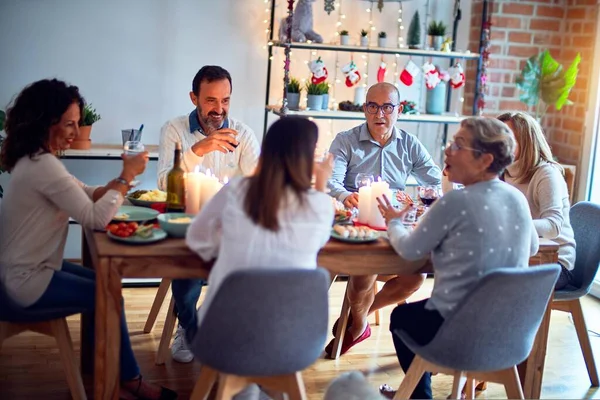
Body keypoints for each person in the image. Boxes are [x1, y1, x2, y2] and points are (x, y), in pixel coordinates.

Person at [0, 79, 177, 400]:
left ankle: (109, 373)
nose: (75, 130)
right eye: (69, 123)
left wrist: (117, 185)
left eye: (77, 122)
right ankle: (129, 382)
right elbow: (95, 218)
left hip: (23, 272)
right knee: (107, 294)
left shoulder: (37, 160)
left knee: (105, 285)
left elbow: (84, 192)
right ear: (45, 122)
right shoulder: (43, 166)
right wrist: (125, 178)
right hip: (26, 283)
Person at [376, 117, 539, 399]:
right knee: (417, 313)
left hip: (458, 331)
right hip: (509, 331)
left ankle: (418, 395)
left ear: (484, 160)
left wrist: (393, 222)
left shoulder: (455, 202)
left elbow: (409, 251)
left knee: (401, 317)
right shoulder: (516, 198)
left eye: (458, 145)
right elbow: (533, 248)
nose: (448, 150)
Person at [324, 82, 443, 357]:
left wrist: (409, 197)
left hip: (395, 231)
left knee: (416, 276)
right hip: (359, 231)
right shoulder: (346, 140)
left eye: (387, 107)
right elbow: (331, 180)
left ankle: (355, 321)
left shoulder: (409, 144)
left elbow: (435, 180)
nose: (380, 114)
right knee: (365, 269)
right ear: (365, 109)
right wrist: (345, 196)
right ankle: (359, 324)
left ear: (399, 110)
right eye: (373, 106)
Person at [185, 116, 334, 328]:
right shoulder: (320, 204)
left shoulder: (236, 190)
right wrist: (322, 182)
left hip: (222, 335)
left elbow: (196, 238)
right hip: (295, 341)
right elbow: (318, 240)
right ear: (308, 157)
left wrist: (230, 244)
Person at [157, 65, 261, 363]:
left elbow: (261, 184)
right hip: (188, 223)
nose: (219, 109)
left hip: (231, 227)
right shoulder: (174, 129)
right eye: (211, 100)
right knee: (189, 265)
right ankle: (188, 330)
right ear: (194, 98)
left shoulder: (243, 133)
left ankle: (210, 322)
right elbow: (164, 183)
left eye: (225, 100)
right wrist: (198, 150)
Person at [498, 111, 576, 289]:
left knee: (491, 283)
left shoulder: (546, 174)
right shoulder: (501, 171)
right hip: (518, 255)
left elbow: (554, 226)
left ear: (526, 143)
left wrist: (512, 226)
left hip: (554, 263)